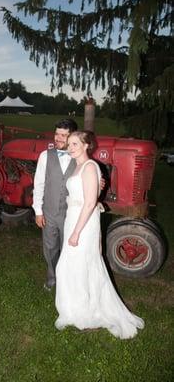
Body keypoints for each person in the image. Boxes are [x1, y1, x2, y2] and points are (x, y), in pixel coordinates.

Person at [55, 131, 145, 339]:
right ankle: (76, 307)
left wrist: (77, 232)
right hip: (73, 217)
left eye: (75, 143)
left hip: (83, 222)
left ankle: (88, 310)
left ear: (86, 145)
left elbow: (89, 203)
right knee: (71, 266)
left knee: (81, 265)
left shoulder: (89, 167)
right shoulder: (78, 166)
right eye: (69, 144)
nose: (70, 147)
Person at [32, 119, 78, 291]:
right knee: (50, 248)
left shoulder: (78, 157)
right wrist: (38, 211)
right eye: (56, 134)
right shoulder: (45, 156)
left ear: (72, 136)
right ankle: (52, 278)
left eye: (63, 135)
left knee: (70, 249)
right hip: (49, 212)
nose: (58, 138)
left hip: (71, 213)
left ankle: (69, 281)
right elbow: (39, 185)